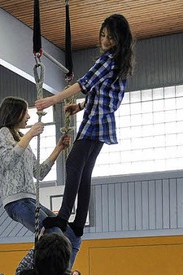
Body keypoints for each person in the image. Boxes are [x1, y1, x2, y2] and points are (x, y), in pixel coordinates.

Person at [35, 14, 135, 240]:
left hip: (96, 121)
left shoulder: (107, 60)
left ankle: (63, 218)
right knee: (85, 171)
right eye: (103, 35)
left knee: (73, 165)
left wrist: (54, 99)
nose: (105, 41)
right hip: (102, 120)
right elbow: (103, 94)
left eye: (110, 37)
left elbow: (84, 83)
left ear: (120, 39)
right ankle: (79, 222)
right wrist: (79, 107)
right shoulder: (119, 63)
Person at [0, 96, 81, 265]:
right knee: (53, 233)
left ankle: (65, 272)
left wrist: (58, 148)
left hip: (31, 199)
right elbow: (8, 161)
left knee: (73, 237)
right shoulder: (3, 133)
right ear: (15, 113)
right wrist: (31, 134)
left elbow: (39, 172)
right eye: (25, 112)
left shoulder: (21, 137)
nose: (28, 116)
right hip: (16, 201)